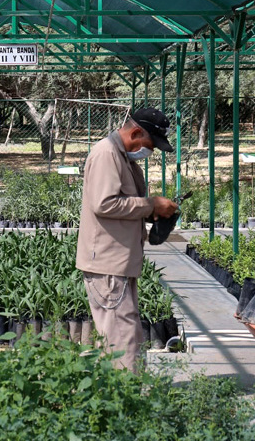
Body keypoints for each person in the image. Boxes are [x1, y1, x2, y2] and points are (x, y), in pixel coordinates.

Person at [76, 107, 178, 372]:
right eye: (150, 145)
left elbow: (118, 205)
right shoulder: (106, 154)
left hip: (117, 263)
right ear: (135, 132)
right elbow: (104, 204)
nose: (150, 152)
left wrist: (153, 211)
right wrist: (150, 205)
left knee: (116, 337)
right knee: (124, 338)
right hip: (108, 265)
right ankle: (129, 402)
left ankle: (115, 397)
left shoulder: (121, 157)